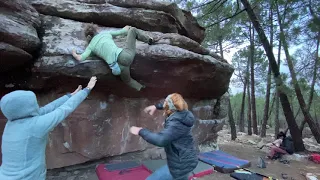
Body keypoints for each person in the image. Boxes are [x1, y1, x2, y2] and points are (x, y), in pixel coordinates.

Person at [0, 76, 97, 180]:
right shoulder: (35, 126)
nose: (36, 105)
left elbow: (46, 109)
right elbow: (64, 110)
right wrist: (87, 90)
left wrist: (69, 96)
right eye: (34, 103)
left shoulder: (12, 123)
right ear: (25, 108)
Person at [130, 93, 198, 180]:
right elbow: (170, 105)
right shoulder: (184, 113)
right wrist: (156, 106)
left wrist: (141, 131)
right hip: (187, 159)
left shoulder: (176, 124)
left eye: (166, 102)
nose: (164, 104)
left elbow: (161, 140)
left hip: (180, 165)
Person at [72, 24, 154, 91]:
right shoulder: (105, 33)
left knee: (128, 80)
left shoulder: (91, 46)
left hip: (119, 67)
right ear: (96, 30)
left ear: (88, 37)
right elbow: (122, 32)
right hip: (124, 56)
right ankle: (149, 40)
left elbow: (81, 58)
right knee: (133, 30)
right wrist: (125, 28)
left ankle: (142, 89)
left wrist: (74, 53)